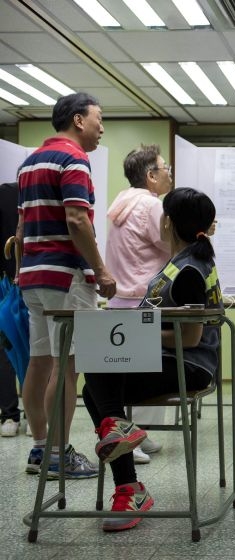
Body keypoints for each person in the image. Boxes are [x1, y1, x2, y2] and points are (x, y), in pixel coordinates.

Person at [82, 187, 222, 532]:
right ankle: (127, 472)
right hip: (167, 359)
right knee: (97, 379)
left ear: (167, 223)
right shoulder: (180, 262)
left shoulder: (189, 269)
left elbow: (190, 339)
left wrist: (134, 333)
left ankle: (129, 487)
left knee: (100, 368)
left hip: (190, 366)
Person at [16, 92, 116, 479]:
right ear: (78, 120)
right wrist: (101, 271)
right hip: (66, 277)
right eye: (98, 118)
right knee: (68, 363)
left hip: (34, 278)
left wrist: (23, 270)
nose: (101, 127)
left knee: (39, 360)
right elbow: (77, 220)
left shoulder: (29, 163)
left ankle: (40, 448)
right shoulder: (74, 159)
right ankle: (59, 455)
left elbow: (23, 228)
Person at [104, 144, 173, 463]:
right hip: (142, 300)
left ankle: (134, 434)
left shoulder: (123, 202)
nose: (168, 173)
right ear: (150, 175)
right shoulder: (150, 206)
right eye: (164, 167)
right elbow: (171, 245)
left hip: (121, 299)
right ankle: (128, 444)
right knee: (138, 377)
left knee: (124, 374)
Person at [0, 182, 22, 437]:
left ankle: (11, 415)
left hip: (20, 280)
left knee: (8, 350)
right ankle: (10, 413)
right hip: (11, 281)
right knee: (8, 348)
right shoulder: (8, 193)